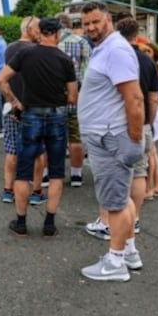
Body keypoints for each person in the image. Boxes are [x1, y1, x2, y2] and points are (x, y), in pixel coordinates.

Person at [77, 2, 144, 282]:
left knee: (114, 203)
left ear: (109, 19)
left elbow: (135, 98)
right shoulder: (105, 49)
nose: (91, 27)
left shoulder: (115, 50)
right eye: (86, 23)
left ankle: (115, 262)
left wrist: (134, 139)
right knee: (121, 198)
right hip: (108, 136)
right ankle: (128, 251)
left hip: (112, 137)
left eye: (96, 21)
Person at [0, 17, 78, 237]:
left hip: (30, 114)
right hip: (57, 116)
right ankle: (49, 223)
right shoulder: (65, 60)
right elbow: (72, 96)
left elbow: (0, 80)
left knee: (23, 171)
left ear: (40, 32)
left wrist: (15, 102)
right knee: (57, 171)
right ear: (58, 34)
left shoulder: (24, 54)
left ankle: (21, 222)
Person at [85, 17, 158, 240]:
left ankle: (112, 232)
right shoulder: (147, 61)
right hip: (140, 124)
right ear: (137, 34)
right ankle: (133, 223)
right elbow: (153, 98)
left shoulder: (113, 54)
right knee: (138, 174)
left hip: (119, 129)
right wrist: (148, 124)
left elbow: (132, 97)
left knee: (114, 189)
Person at [0, 17, 47, 205]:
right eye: (37, 29)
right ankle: (36, 191)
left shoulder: (10, 48)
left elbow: (4, 77)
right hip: (33, 107)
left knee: (12, 149)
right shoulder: (36, 50)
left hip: (12, 106)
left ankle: (8, 190)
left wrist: (12, 100)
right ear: (28, 28)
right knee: (37, 151)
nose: (40, 32)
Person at [56, 13, 91, 187]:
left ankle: (51, 174)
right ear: (70, 24)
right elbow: (87, 72)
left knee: (54, 137)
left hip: (54, 97)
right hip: (77, 97)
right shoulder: (82, 42)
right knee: (75, 137)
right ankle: (76, 175)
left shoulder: (51, 43)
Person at [139, 40, 158, 198]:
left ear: (155, 55)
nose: (144, 55)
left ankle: (149, 188)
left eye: (148, 52)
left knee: (149, 153)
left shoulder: (155, 75)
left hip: (151, 116)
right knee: (152, 152)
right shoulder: (154, 73)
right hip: (151, 115)